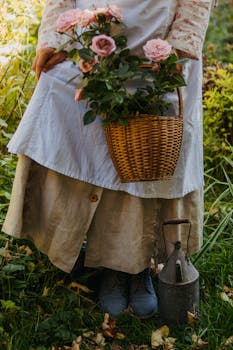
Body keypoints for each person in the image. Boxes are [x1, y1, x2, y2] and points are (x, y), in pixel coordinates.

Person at [3, 0, 213, 319]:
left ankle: (136, 266)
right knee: (72, 109)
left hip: (160, 40)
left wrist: (181, 43)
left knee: (149, 151)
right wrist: (54, 37)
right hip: (95, 36)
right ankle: (102, 262)